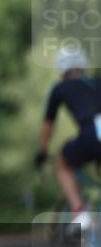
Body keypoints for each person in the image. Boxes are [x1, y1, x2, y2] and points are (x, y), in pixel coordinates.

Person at [35, 44, 100, 231]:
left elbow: (48, 124)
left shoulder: (60, 88)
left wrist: (42, 152)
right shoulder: (97, 82)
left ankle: (79, 213)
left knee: (62, 162)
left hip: (90, 135)